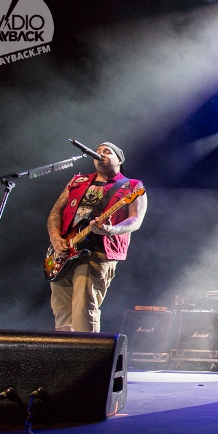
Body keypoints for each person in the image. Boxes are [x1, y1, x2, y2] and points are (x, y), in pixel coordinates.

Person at [47, 142, 147, 332]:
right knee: (62, 315)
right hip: (64, 251)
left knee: (83, 310)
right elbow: (55, 213)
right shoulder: (77, 181)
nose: (100, 154)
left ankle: (87, 359)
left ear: (119, 160)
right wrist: (55, 238)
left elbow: (135, 220)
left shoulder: (132, 186)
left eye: (107, 151)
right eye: (98, 151)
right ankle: (65, 359)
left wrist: (110, 229)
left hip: (98, 252)